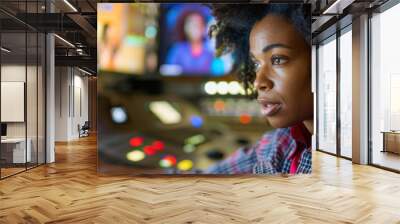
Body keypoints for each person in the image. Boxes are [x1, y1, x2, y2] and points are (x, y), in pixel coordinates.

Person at [205, 4, 313, 174]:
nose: (258, 82)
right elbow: (206, 178)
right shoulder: (280, 142)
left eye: (277, 59)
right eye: (256, 63)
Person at [165, 10, 215, 75]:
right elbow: (170, 74)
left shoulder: (211, 51)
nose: (194, 28)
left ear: (204, 28)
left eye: (198, 24)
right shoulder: (177, 50)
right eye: (191, 24)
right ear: (185, 28)